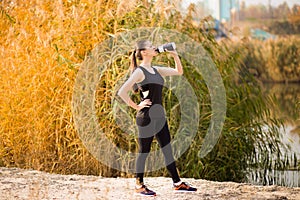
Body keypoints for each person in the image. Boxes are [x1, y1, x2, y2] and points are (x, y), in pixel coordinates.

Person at [118, 40, 197, 196]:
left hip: (160, 116)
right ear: (144, 52)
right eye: (150, 46)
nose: (154, 47)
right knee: (144, 151)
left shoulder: (155, 70)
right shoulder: (140, 72)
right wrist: (137, 106)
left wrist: (175, 55)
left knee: (167, 149)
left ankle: (177, 183)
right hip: (146, 117)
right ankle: (139, 185)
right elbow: (122, 91)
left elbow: (178, 72)